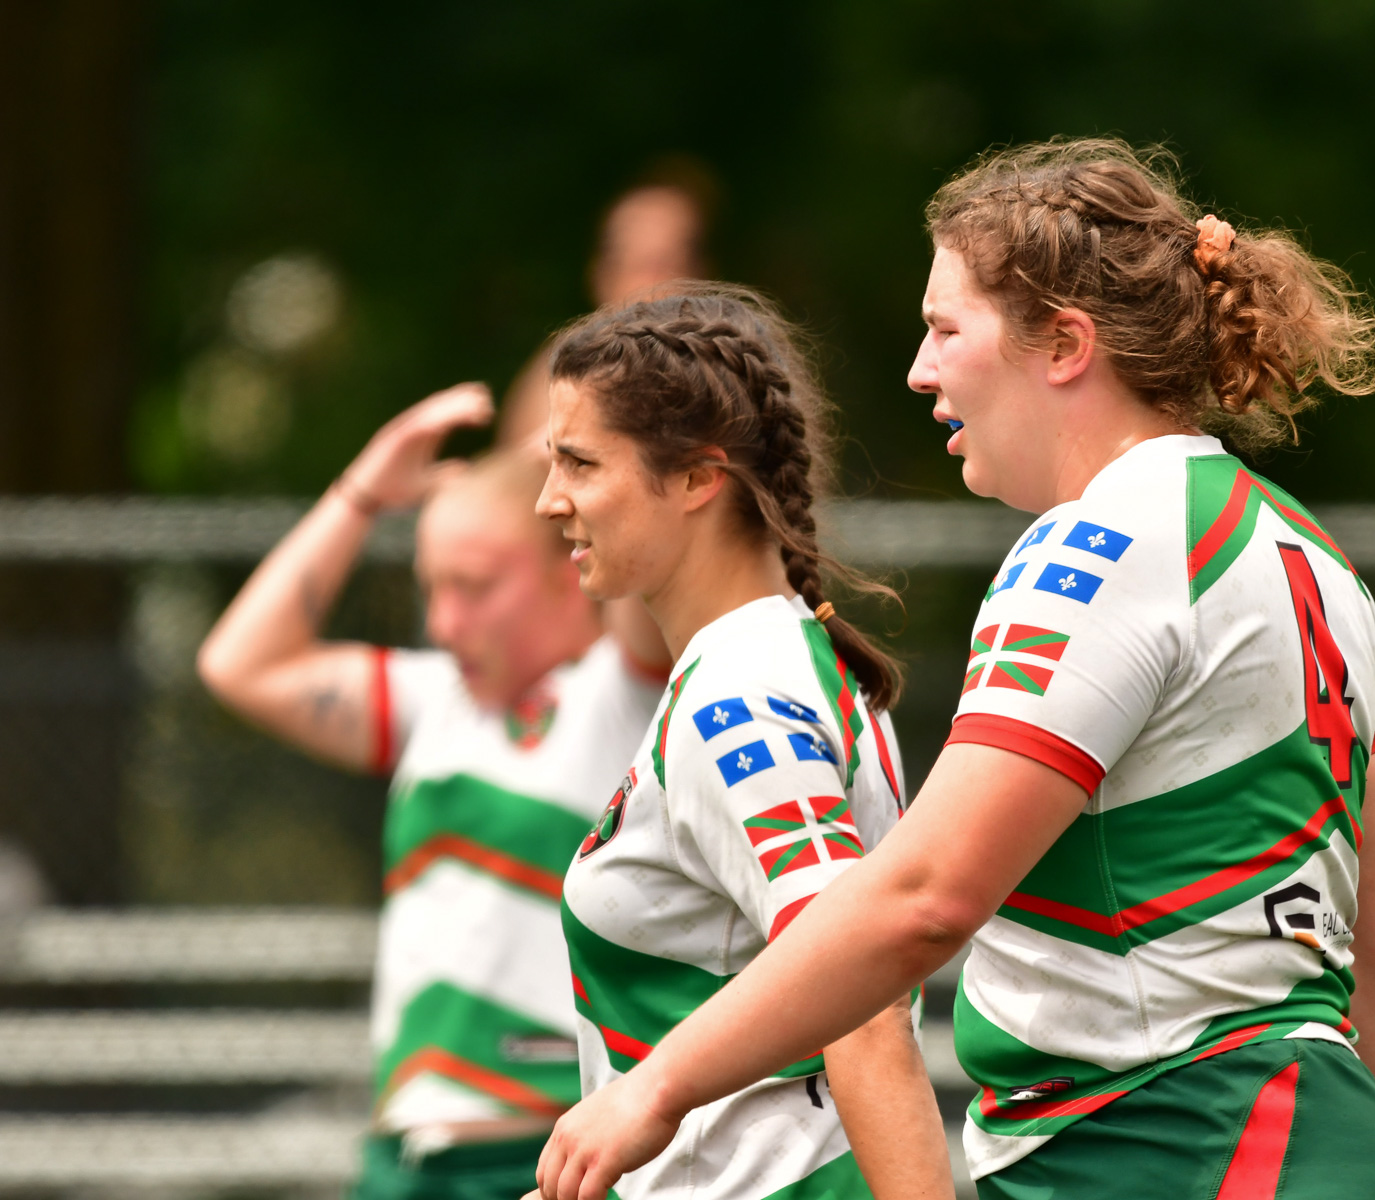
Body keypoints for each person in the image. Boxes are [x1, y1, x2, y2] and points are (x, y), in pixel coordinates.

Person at [532, 140, 1375, 1200]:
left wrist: (656, 1087)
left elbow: (922, 899)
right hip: (1333, 1145)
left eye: (945, 330)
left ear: (1062, 346)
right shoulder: (1312, 556)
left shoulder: (1094, 548)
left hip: (1154, 1157)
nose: (920, 371)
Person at [195, 383, 670, 1200]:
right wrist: (363, 495)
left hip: (557, 1155)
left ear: (572, 566)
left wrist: (596, 457)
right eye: (431, 587)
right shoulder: (435, 702)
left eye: (476, 586)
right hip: (403, 1160)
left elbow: (656, 551)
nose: (445, 622)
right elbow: (237, 664)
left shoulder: (625, 692)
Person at [531, 285, 952, 1200]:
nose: (547, 500)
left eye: (579, 464)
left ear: (696, 478)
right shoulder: (779, 659)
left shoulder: (745, 694)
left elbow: (862, 1000)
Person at [497, 172, 714, 451]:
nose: (653, 287)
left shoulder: (727, 375)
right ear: (600, 276)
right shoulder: (559, 380)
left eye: (668, 263)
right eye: (637, 265)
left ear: (700, 274)